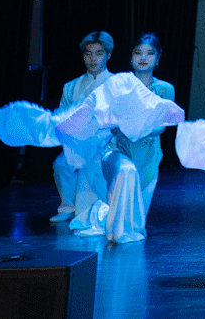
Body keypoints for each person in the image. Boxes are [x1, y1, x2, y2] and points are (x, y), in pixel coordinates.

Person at [74, 33, 175, 244]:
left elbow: (160, 128)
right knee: (126, 172)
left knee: (135, 223)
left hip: (148, 156)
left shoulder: (165, 89)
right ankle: (109, 224)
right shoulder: (118, 85)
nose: (143, 58)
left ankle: (100, 215)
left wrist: (135, 127)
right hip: (118, 150)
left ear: (158, 58)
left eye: (149, 53)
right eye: (138, 53)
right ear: (131, 58)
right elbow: (110, 124)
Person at [51, 31, 114, 224]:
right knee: (61, 164)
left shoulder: (116, 84)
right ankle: (68, 206)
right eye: (88, 54)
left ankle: (99, 210)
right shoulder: (71, 87)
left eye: (99, 53)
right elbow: (62, 116)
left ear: (108, 55)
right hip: (77, 143)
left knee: (93, 164)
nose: (93, 59)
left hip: (106, 143)